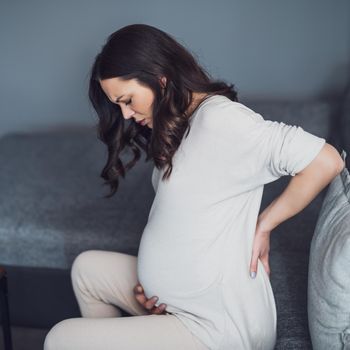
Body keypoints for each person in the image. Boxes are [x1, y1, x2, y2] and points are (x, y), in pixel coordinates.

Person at [44, 24, 345, 350]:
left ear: (160, 78)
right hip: (180, 307)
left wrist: (265, 224)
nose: (126, 115)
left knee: (61, 338)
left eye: (127, 100)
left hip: (219, 329)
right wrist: (156, 284)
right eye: (118, 105)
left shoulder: (222, 121)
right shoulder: (177, 125)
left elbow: (326, 161)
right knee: (88, 270)